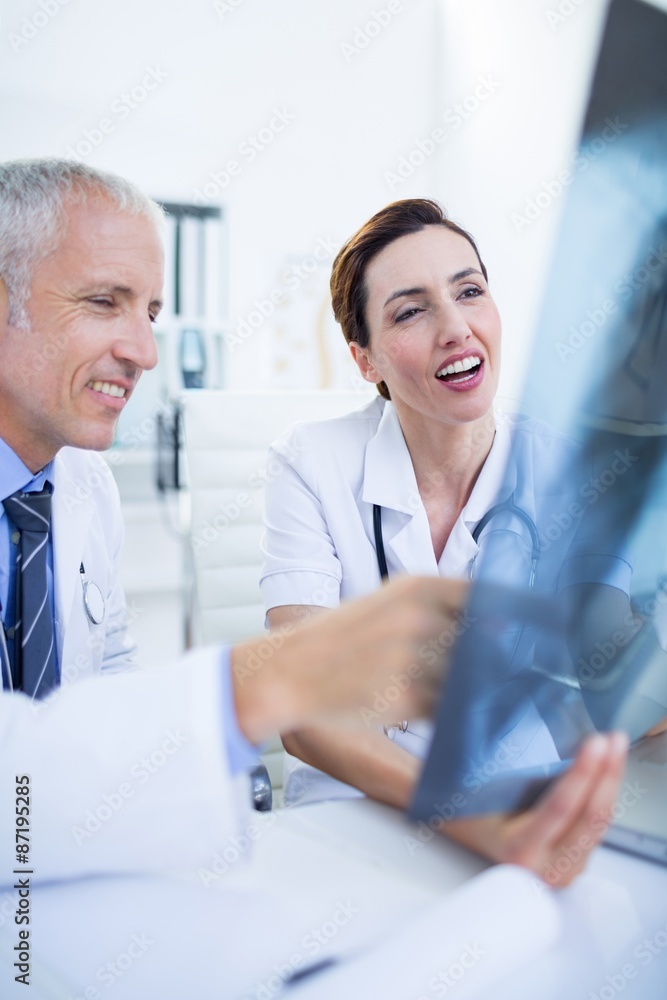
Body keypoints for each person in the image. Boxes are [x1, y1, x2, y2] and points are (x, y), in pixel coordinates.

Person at [260, 198, 633, 881]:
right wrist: (460, 814)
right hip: (353, 817)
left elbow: (629, 685)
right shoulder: (311, 462)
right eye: (410, 310)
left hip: (525, 816)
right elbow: (300, 708)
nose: (455, 328)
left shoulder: (567, 468)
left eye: (469, 292)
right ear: (363, 358)